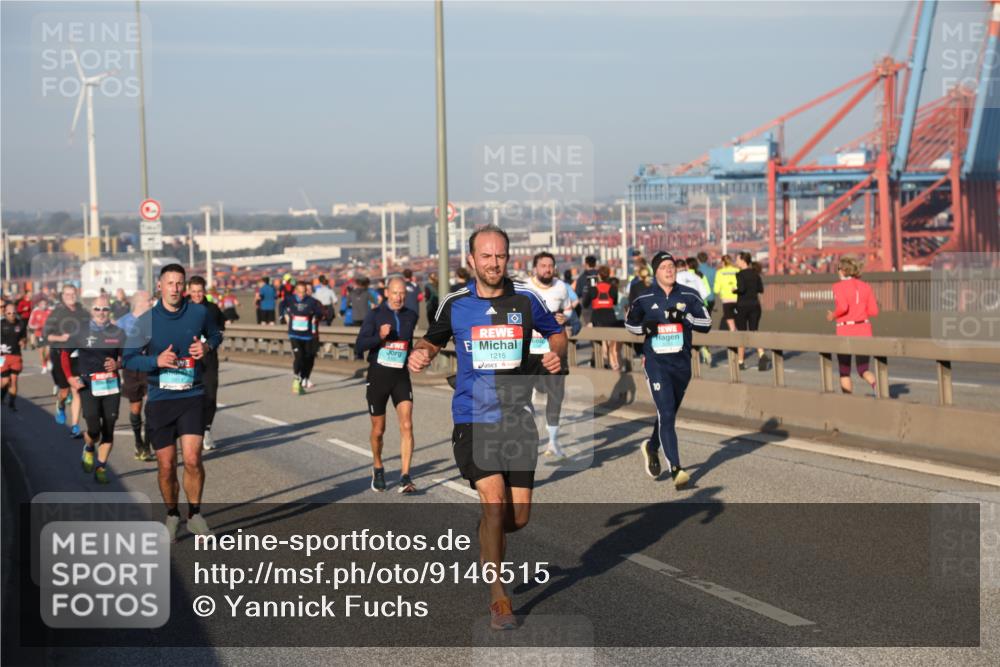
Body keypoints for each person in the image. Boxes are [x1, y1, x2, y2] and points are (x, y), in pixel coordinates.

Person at [408, 224, 565, 631]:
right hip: (473, 418)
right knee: (493, 503)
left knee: (518, 518)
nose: (493, 263)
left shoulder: (527, 299)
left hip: (517, 420)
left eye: (500, 256)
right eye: (486, 256)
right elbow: (432, 340)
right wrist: (421, 354)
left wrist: (554, 355)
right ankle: (499, 598)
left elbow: (558, 334)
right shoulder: (454, 304)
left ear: (507, 258)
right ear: (472, 260)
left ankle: (487, 534)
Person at [123, 264, 223, 541]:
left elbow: (216, 334)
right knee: (166, 466)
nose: (176, 289)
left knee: (192, 459)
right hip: (160, 399)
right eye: (170, 283)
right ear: (160, 286)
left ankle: (195, 514)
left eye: (180, 283)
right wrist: (155, 361)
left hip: (192, 395)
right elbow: (128, 358)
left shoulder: (199, 312)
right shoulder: (146, 321)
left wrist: (207, 347)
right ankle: (172, 513)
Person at [625, 252, 712, 488]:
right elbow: (630, 325)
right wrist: (646, 326)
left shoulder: (689, 295)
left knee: (668, 414)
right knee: (665, 411)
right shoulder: (644, 298)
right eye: (664, 267)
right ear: (656, 272)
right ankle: (676, 468)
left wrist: (685, 318)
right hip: (656, 363)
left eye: (672, 266)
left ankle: (651, 447)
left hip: (681, 365)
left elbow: (707, 324)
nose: (669, 270)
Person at [355, 276, 419, 493]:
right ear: (386, 293)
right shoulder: (375, 315)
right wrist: (379, 338)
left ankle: (405, 476)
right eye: (395, 293)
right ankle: (378, 466)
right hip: (378, 377)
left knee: (407, 424)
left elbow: (407, 345)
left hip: (400, 377)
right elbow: (359, 345)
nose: (399, 297)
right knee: (379, 430)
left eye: (402, 293)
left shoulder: (411, 315)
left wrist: (414, 356)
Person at [525, 252, 574, 459]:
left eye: (550, 266)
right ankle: (527, 437)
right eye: (543, 265)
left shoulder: (561, 287)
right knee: (523, 397)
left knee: (556, 397)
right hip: (529, 353)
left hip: (554, 351)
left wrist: (565, 317)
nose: (547, 269)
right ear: (535, 267)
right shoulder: (525, 287)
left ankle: (553, 442)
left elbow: (570, 309)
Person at [72, 295, 126, 484]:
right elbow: (65, 355)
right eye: (97, 309)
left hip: (111, 386)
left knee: (109, 428)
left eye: (104, 309)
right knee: (94, 429)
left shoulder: (118, 333)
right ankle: (89, 447)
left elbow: (125, 357)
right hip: (89, 385)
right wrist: (72, 378)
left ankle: (101, 467)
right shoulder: (80, 331)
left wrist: (118, 363)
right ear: (91, 311)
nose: (101, 313)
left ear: (109, 311)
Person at [827, 256, 880, 395]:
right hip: (864, 329)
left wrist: (833, 315)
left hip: (845, 330)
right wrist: (859, 313)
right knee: (863, 370)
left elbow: (843, 307)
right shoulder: (866, 286)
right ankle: (878, 389)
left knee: (845, 371)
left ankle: (848, 402)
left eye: (838, 269)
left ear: (843, 271)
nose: (837, 271)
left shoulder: (838, 287)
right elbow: (874, 311)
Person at [44, 284, 90, 437]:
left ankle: (75, 425)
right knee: (64, 391)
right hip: (59, 354)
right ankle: (61, 404)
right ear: (62, 296)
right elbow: (46, 336)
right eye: (67, 294)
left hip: (78, 355)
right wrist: (60, 338)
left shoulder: (83, 312)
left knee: (76, 389)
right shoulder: (56, 313)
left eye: (73, 293)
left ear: (76, 294)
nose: (70, 296)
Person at [187, 276, 226, 450]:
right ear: (188, 291)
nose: (196, 295)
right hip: (186, 361)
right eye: (193, 292)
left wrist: (208, 344)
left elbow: (220, 333)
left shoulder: (213, 309)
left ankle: (207, 430)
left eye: (200, 292)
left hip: (208, 360)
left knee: (210, 396)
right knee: (189, 398)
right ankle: (191, 432)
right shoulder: (182, 308)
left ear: (205, 291)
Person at [116, 291, 155, 461]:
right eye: (149, 300)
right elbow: (116, 345)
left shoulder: (155, 319)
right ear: (140, 302)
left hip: (151, 366)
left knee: (151, 407)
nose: (153, 302)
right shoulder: (123, 322)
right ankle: (138, 441)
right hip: (131, 369)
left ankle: (147, 445)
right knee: (136, 408)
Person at [284, 280, 323, 394]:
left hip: (309, 335)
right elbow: (282, 306)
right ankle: (297, 378)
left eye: (305, 291)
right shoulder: (290, 299)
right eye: (300, 292)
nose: (302, 294)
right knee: (299, 356)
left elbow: (321, 313)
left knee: (308, 358)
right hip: (294, 334)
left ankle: (304, 379)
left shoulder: (313, 302)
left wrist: (316, 316)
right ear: (296, 291)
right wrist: (285, 316)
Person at [734, 251, 769, 370]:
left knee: (741, 334)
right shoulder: (755, 274)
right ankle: (761, 354)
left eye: (737, 259)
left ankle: (740, 362)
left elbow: (742, 289)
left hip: (742, 306)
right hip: (755, 305)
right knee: (754, 331)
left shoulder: (740, 274)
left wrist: (735, 290)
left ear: (743, 261)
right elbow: (760, 289)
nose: (736, 261)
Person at [582, 265, 620, 370]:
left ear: (598, 275)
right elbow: (615, 302)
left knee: (602, 341)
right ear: (608, 275)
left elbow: (585, 304)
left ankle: (605, 362)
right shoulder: (613, 288)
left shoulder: (593, 289)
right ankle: (613, 363)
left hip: (597, 316)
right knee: (610, 341)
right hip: (610, 316)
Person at [685, 257, 714, 367]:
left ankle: (693, 357)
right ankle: (705, 352)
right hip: (702, 306)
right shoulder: (700, 275)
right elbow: (707, 291)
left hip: (688, 307)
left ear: (687, 265)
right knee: (700, 330)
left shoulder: (685, 276)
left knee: (688, 332)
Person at [1, 302, 28, 411]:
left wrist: (23, 341)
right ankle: (2, 396)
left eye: (13, 313)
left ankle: (12, 402)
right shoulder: (1, 324)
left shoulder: (21, 324)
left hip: (16, 355)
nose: (11, 315)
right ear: (5, 312)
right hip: (2, 356)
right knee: (5, 381)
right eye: (9, 313)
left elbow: (24, 337)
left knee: (14, 379)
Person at [713, 254, 739, 332]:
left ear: (723, 262)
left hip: (726, 300)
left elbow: (716, 289)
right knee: (738, 320)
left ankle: (733, 340)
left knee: (730, 322)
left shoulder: (719, 272)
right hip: (737, 298)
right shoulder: (737, 270)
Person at [28, 297, 52, 372]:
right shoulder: (35, 312)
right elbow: (30, 324)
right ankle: (44, 366)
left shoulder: (50, 311)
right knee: (41, 352)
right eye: (42, 304)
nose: (44, 305)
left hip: (48, 335)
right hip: (39, 334)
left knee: (48, 351)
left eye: (45, 304)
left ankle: (48, 361)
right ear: (38, 304)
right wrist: (37, 326)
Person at [574, 255, 599, 325]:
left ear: (586, 264)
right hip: (600, 308)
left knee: (588, 331)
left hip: (587, 308)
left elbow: (577, 294)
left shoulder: (582, 278)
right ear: (595, 264)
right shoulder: (600, 275)